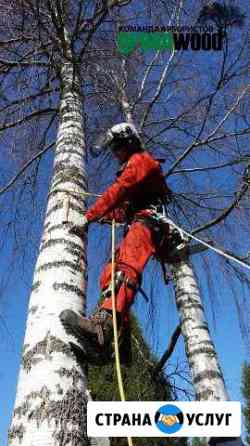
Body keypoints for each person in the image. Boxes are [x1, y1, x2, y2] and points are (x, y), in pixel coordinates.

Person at [60, 122, 174, 364]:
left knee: (124, 271)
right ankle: (112, 346)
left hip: (148, 224)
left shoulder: (141, 161)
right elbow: (123, 210)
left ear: (129, 143)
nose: (116, 154)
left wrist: (89, 216)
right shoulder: (135, 170)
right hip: (138, 222)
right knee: (109, 272)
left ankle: (103, 325)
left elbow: (119, 191)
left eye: (118, 147)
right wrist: (105, 217)